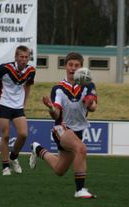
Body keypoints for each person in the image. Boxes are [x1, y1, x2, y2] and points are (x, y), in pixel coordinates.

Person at [29, 52, 97, 199]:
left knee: (59, 170)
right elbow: (56, 113)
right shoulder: (58, 88)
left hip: (78, 131)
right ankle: (80, 190)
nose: (73, 68)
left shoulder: (88, 85)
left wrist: (90, 102)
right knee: (81, 149)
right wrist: (51, 108)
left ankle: (37, 148)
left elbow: (93, 108)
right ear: (65, 66)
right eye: (70, 65)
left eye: (76, 65)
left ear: (81, 67)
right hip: (61, 128)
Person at [0, 45, 36, 176]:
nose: (24, 59)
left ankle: (14, 157)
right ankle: (5, 167)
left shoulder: (31, 71)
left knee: (23, 134)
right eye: (21, 57)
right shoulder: (5, 68)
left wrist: (24, 103)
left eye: (26, 57)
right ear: (16, 57)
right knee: (5, 135)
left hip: (18, 107)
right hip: (4, 104)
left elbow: (28, 86)